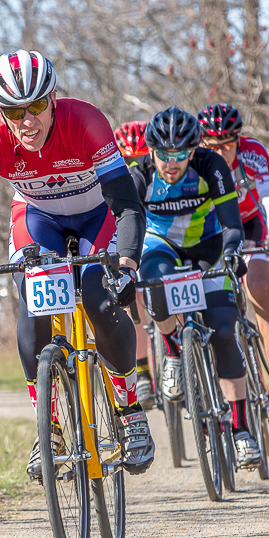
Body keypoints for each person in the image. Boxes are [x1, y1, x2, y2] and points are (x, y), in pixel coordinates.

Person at [0, 49, 154, 476]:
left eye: (37, 106)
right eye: (14, 111)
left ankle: (129, 409)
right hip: (37, 217)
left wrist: (128, 265)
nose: (28, 121)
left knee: (101, 298)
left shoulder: (86, 121)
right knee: (34, 303)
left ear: (54, 98)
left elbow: (127, 204)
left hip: (97, 214)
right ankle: (51, 427)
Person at [129, 106, 259, 467]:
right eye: (164, 154)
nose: (172, 163)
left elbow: (232, 224)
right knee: (154, 284)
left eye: (181, 154)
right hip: (160, 246)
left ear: (194, 150)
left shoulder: (210, 165)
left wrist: (232, 253)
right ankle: (173, 350)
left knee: (223, 329)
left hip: (209, 246)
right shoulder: (139, 175)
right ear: (151, 150)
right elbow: (128, 228)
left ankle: (241, 430)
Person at [198, 103, 269, 409]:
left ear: (238, 140)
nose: (221, 152)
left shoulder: (253, 152)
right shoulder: (195, 159)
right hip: (215, 229)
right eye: (213, 146)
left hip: (250, 223)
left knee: (258, 286)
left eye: (227, 145)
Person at [115, 121, 159, 408]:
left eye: (139, 160)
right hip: (130, 234)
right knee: (134, 297)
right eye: (126, 161)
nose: (134, 168)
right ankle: (142, 371)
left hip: (157, 232)